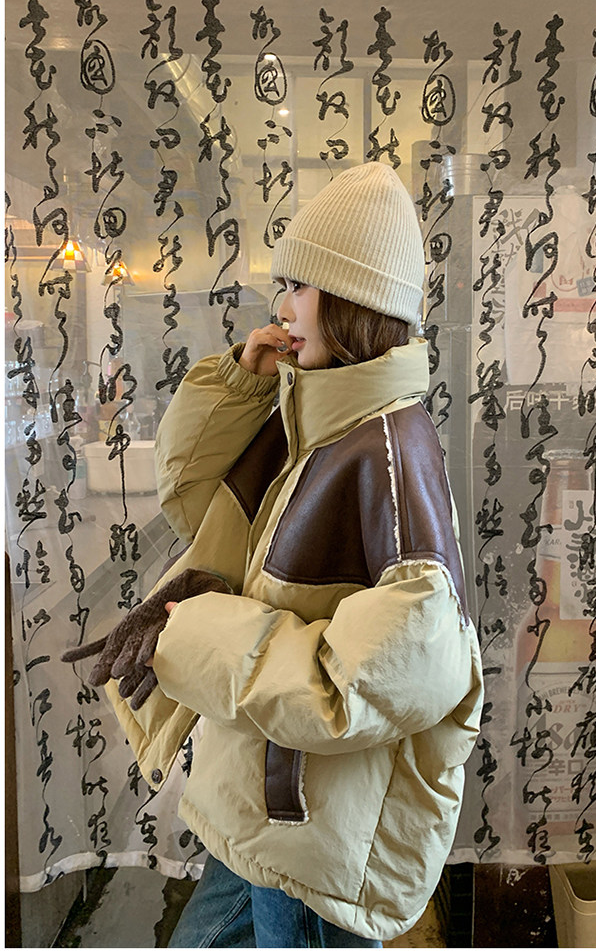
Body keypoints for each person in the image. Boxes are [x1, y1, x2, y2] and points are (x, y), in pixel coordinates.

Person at [73, 162, 483, 948]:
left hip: (310, 831)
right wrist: (241, 387)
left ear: (354, 300)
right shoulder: (316, 422)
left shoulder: (388, 449)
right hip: (268, 804)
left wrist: (188, 629)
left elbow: (383, 677)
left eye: (299, 286)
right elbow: (196, 505)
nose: (283, 307)